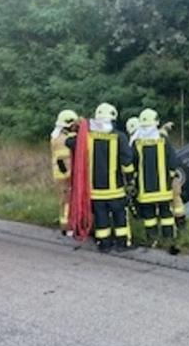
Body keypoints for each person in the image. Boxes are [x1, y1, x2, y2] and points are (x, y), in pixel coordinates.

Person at [68, 103, 135, 252]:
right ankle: (122, 244)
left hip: (95, 191)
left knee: (101, 218)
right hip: (115, 190)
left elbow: (69, 142)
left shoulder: (86, 137)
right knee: (119, 217)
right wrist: (130, 179)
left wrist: (75, 129)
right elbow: (127, 162)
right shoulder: (119, 137)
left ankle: (104, 245)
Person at [131, 108, 178, 244]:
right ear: (156, 123)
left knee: (149, 216)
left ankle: (152, 240)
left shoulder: (137, 143)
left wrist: (133, 180)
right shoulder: (163, 141)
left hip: (145, 189)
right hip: (163, 188)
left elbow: (131, 164)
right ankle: (168, 238)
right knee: (166, 213)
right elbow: (172, 160)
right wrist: (170, 177)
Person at [50, 110, 78, 236]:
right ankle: (68, 227)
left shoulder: (57, 137)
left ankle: (65, 226)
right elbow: (61, 159)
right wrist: (68, 174)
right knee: (67, 201)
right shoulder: (62, 139)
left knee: (63, 201)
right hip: (64, 174)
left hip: (60, 174)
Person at [158, 121, 187, 228]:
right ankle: (181, 225)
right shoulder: (167, 146)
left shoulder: (150, 145)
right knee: (176, 201)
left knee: (167, 204)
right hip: (171, 177)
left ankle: (171, 227)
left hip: (161, 180)